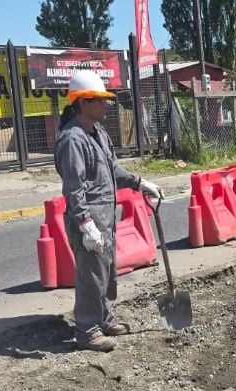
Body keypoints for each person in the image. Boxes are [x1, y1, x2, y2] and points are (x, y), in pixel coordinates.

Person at [55, 70, 163, 352]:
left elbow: (112, 169)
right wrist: (85, 223)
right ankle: (87, 331)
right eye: (101, 101)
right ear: (84, 102)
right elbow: (73, 187)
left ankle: (105, 319)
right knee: (91, 275)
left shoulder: (98, 133)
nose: (107, 105)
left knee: (107, 270)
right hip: (89, 215)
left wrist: (139, 183)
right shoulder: (73, 140)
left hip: (106, 212)